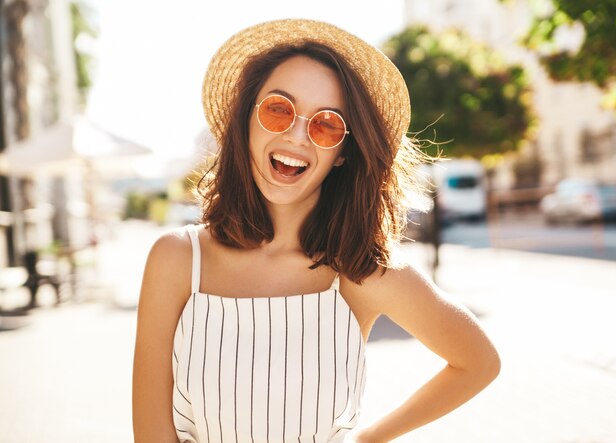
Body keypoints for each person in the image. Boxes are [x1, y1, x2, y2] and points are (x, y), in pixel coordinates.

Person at [132, 19, 500, 443]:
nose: (297, 135)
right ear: (246, 122)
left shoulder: (361, 273)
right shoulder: (176, 259)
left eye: (326, 124)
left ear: (343, 153)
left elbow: (479, 362)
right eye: (278, 110)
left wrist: (369, 438)